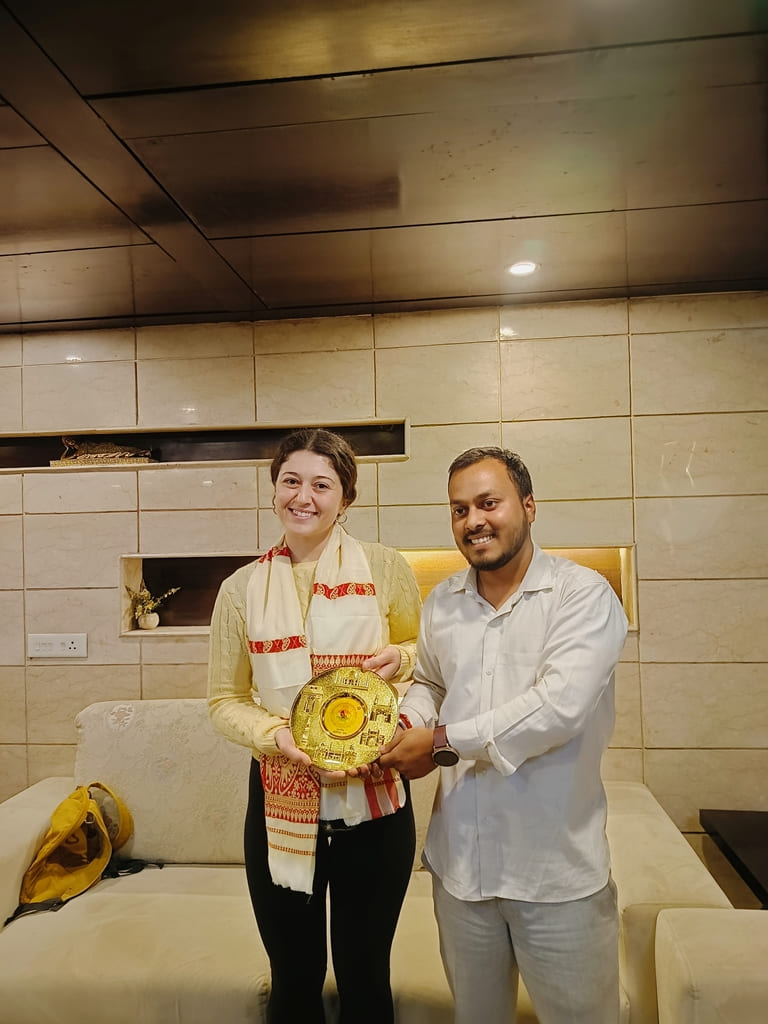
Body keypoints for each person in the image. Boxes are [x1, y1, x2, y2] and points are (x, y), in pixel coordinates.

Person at [379, 446, 628, 1024]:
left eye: (488, 503)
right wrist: (407, 724)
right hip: (460, 872)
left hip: (556, 873)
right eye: (459, 509)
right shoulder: (442, 602)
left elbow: (558, 709)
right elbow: (430, 683)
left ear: (529, 506)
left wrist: (440, 742)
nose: (474, 520)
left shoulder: (582, 594)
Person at [208, 427, 421, 1024]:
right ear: (274, 489)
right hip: (280, 801)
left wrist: (401, 658)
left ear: (346, 498)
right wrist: (276, 736)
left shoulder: (385, 567)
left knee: (365, 979)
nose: (303, 497)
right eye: (291, 481)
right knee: (295, 982)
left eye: (322, 485)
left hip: (375, 805)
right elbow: (224, 700)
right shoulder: (240, 589)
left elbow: (424, 655)